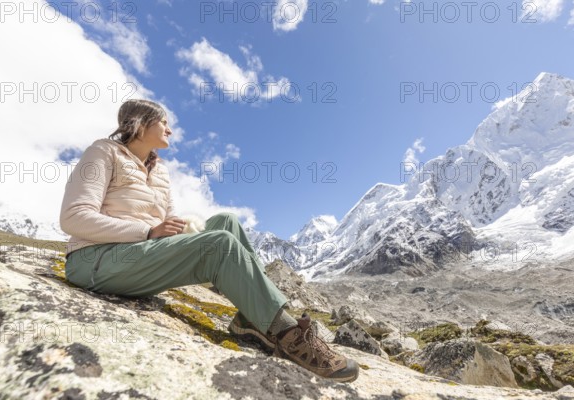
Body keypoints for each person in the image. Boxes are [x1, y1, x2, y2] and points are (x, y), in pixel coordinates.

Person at [60, 99, 359, 383]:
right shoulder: (103, 152)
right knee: (218, 244)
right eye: (163, 122)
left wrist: (174, 231)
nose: (170, 129)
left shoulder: (160, 169)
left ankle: (252, 319)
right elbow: (74, 217)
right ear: (139, 124)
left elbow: (170, 221)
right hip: (95, 260)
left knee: (226, 222)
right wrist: (148, 232)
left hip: (139, 254)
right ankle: (287, 334)